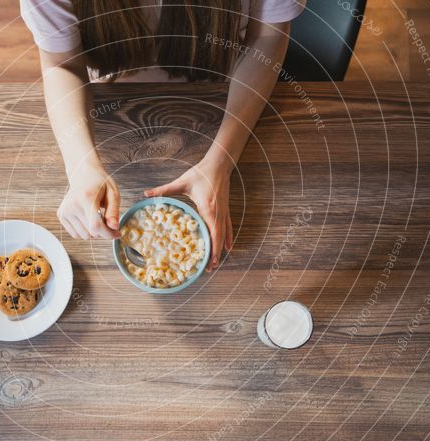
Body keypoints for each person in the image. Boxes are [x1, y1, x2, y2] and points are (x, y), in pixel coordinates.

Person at [21, 0, 305, 271]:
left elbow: (267, 39)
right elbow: (62, 64)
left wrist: (221, 162)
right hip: (109, 97)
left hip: (226, 91)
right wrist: (81, 165)